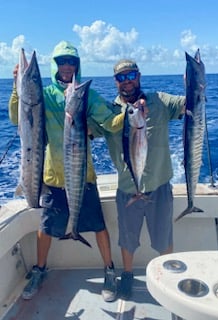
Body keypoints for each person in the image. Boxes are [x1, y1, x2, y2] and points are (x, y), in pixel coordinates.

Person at [8, 41, 124, 302]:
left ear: (77, 65)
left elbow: (110, 121)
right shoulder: (46, 93)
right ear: (56, 66)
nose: (67, 66)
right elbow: (18, 118)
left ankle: (109, 271)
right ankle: (40, 270)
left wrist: (129, 115)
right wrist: (17, 89)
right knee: (46, 227)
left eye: (71, 62)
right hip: (52, 176)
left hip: (83, 175)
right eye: (62, 62)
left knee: (98, 226)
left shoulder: (86, 93)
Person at [90, 59, 186, 300]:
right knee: (127, 239)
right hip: (127, 190)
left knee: (164, 237)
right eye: (121, 77)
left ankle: (168, 279)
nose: (127, 81)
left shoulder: (160, 101)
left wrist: (194, 85)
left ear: (139, 75)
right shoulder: (108, 111)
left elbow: (189, 105)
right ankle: (128, 275)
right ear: (115, 82)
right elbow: (87, 128)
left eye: (130, 75)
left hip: (159, 187)